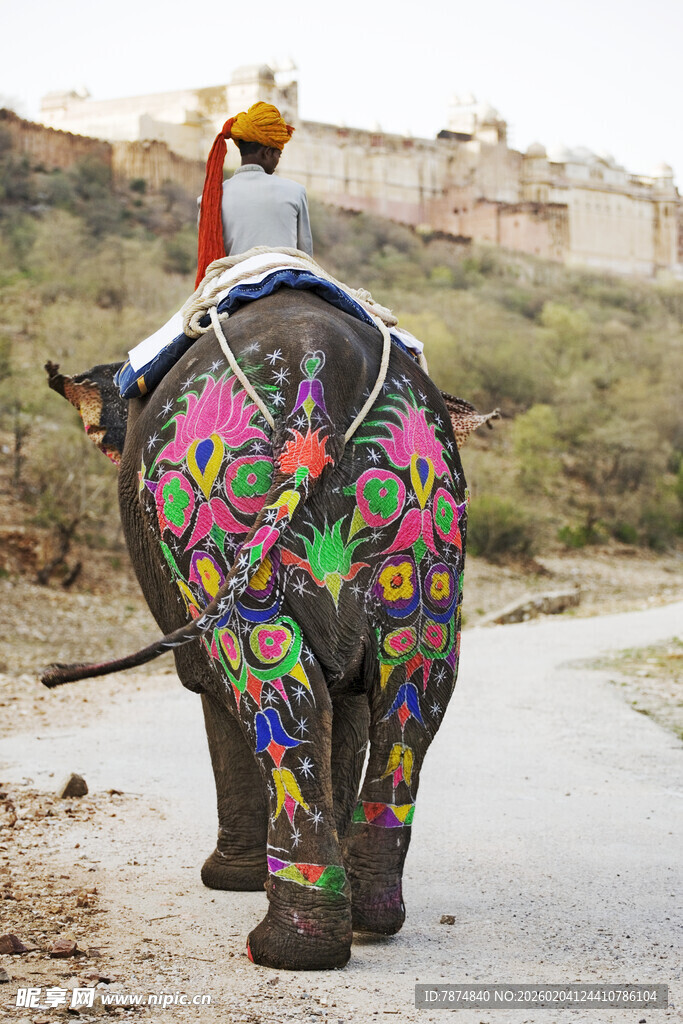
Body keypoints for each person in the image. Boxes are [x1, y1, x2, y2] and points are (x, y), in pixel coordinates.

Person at [195, 101, 313, 286]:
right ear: (267, 153)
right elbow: (306, 258)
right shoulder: (295, 191)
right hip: (288, 285)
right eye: (278, 156)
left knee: (186, 316)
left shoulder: (209, 200)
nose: (277, 163)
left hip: (233, 288)